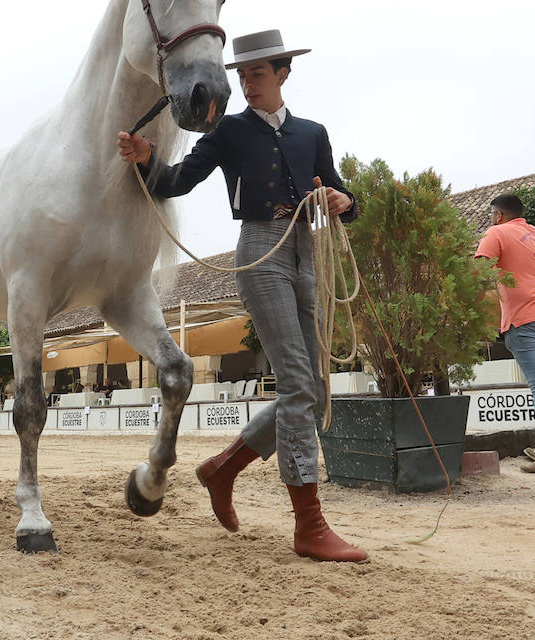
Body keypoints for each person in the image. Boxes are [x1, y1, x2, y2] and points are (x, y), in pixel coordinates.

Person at [117, 28, 366, 562]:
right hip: (258, 251)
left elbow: (341, 189)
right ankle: (309, 524)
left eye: (257, 74)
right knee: (298, 385)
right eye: (243, 75)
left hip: (307, 250)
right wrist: (146, 157)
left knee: (314, 391)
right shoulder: (229, 130)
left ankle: (223, 469)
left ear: (283, 73)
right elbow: (176, 181)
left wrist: (343, 200)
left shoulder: (313, 133)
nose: (248, 84)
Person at [475, 193, 535, 475]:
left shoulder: (496, 232)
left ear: (498, 215)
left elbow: (478, 273)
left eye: (491, 215)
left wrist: (468, 310)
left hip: (526, 316)